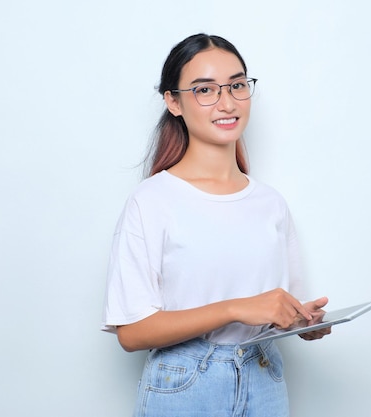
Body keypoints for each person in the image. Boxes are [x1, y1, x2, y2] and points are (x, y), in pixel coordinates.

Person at [102, 33, 331, 417]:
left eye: (237, 85)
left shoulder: (270, 203)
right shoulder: (152, 201)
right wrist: (237, 308)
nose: (227, 103)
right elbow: (132, 331)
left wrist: (303, 322)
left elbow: (275, 311)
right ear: (173, 102)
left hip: (264, 379)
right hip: (187, 385)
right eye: (204, 90)